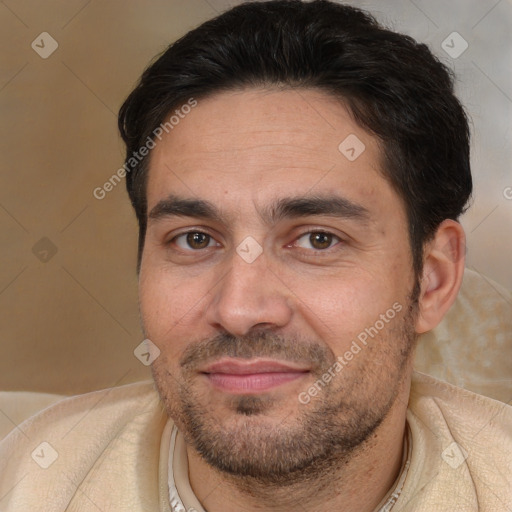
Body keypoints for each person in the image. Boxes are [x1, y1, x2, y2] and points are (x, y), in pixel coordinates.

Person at [0, 1, 510, 510]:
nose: (239, 311)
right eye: (195, 239)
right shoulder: (23, 481)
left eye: (317, 240)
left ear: (434, 281)